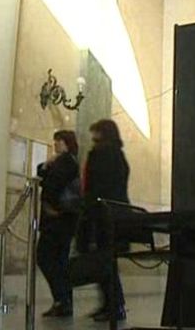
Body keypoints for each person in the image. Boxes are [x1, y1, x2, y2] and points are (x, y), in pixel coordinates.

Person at [83, 119, 130, 322]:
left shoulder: (100, 154)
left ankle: (113, 306)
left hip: (101, 215)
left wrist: (88, 214)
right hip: (117, 213)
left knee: (104, 262)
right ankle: (111, 304)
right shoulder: (119, 155)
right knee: (107, 262)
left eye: (95, 133)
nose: (92, 137)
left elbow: (95, 186)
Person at [37, 130, 80, 317]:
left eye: (58, 141)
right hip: (63, 219)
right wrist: (47, 165)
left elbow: (51, 184)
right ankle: (63, 301)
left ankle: (62, 299)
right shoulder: (65, 161)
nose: (55, 144)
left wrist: (49, 205)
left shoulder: (66, 162)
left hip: (58, 219)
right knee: (59, 261)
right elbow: (42, 171)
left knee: (45, 257)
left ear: (66, 142)